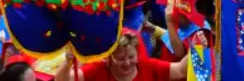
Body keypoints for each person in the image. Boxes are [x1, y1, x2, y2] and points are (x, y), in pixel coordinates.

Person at [54, 31, 189, 81]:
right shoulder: (97, 70)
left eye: (131, 57)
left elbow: (181, 70)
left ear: (137, 54)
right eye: (120, 58)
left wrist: (199, 50)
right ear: (109, 58)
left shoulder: (148, 66)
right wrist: (68, 59)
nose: (127, 63)